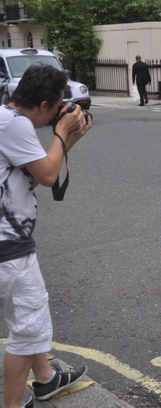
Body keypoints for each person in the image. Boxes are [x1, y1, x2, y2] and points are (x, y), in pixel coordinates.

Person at [0, 64, 91, 408]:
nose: (57, 113)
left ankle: (46, 379)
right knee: (26, 329)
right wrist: (62, 132)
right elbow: (50, 176)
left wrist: (71, 136)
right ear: (42, 105)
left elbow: (36, 172)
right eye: (56, 107)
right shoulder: (15, 124)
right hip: (9, 248)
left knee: (31, 320)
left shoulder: (5, 118)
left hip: (7, 242)